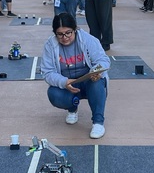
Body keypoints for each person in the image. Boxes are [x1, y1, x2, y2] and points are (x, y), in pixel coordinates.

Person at [40, 12, 111, 140]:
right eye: (60, 34)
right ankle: (72, 109)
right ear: (55, 33)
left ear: (75, 29)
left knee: (98, 82)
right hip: (69, 84)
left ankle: (98, 122)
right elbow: (47, 72)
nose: (65, 37)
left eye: (68, 33)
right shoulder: (50, 45)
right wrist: (64, 82)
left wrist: (96, 71)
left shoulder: (87, 40)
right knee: (53, 94)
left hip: (88, 81)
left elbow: (103, 60)